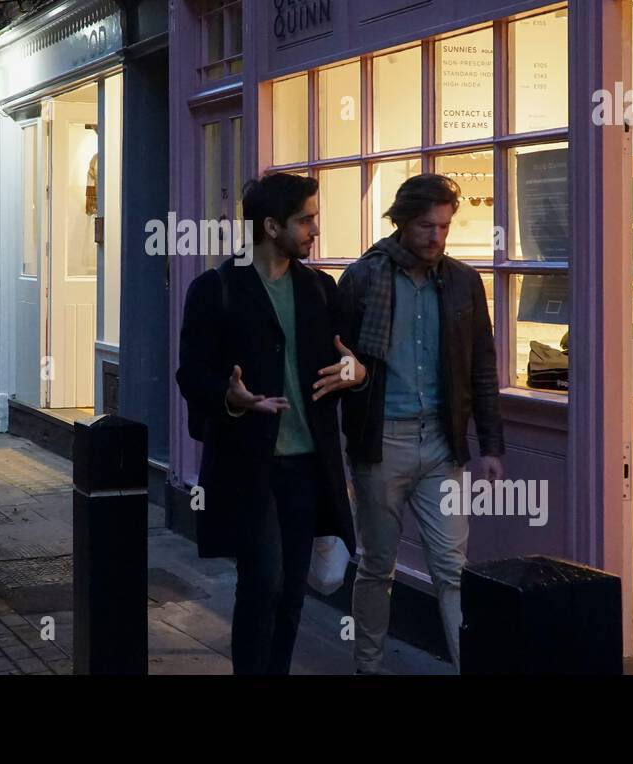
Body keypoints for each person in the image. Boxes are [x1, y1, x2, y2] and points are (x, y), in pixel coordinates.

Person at [176, 172, 365, 675]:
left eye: (314, 219)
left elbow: (360, 361)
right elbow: (191, 373)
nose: (315, 230)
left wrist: (357, 372)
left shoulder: (321, 290)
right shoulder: (216, 289)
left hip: (308, 465)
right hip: (250, 465)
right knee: (263, 583)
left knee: (292, 595)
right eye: (306, 220)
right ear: (271, 225)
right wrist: (230, 397)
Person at [336, 173, 506, 674]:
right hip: (380, 442)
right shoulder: (364, 277)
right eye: (427, 226)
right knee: (376, 566)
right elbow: (334, 357)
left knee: (453, 570)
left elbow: (481, 365)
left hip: (440, 443)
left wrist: (491, 444)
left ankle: (468, 667)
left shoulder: (461, 282)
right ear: (404, 222)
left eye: (445, 228)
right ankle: (367, 665)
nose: (437, 238)